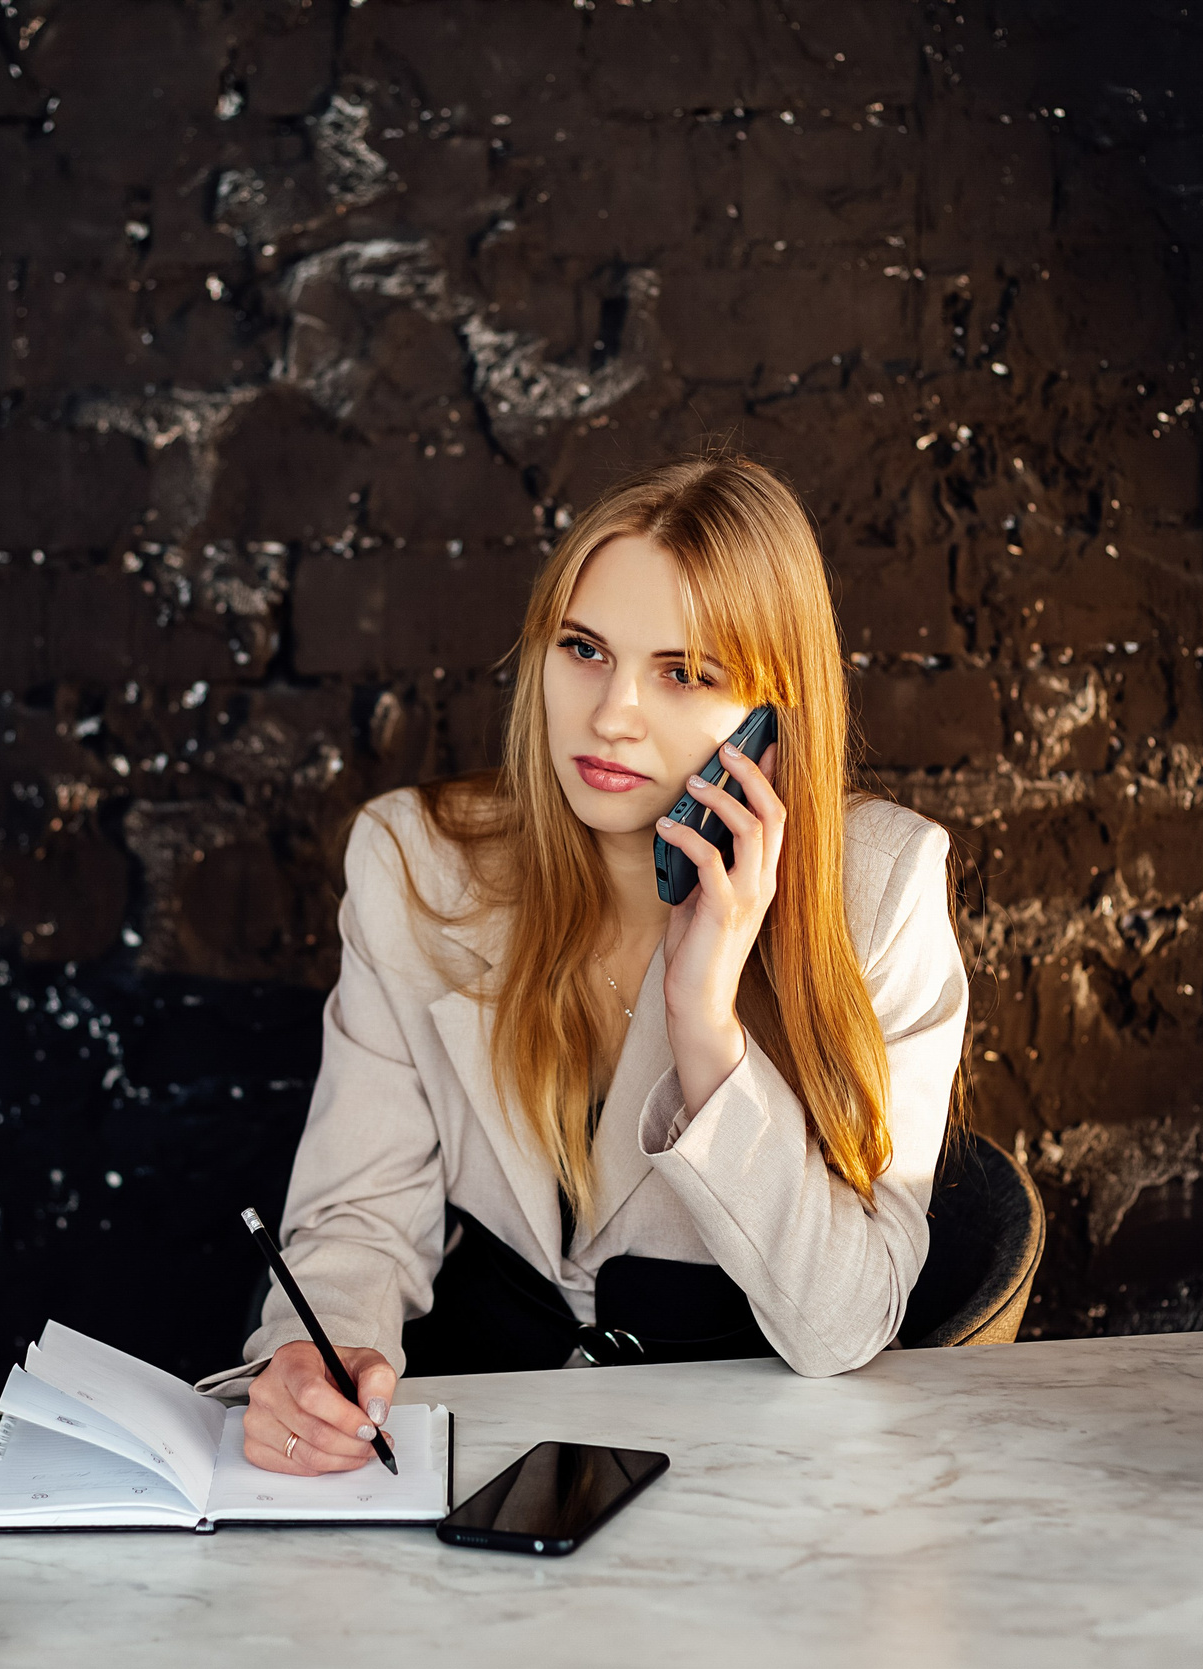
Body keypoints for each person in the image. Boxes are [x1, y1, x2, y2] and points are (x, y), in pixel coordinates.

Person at [202, 452, 970, 1476]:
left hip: (757, 1482)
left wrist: (705, 1019)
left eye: (683, 672)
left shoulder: (882, 891)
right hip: (484, 1458)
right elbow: (362, 1214)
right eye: (584, 650)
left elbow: (841, 1326)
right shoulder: (415, 863)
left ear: (774, 715)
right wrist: (318, 1349)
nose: (612, 715)